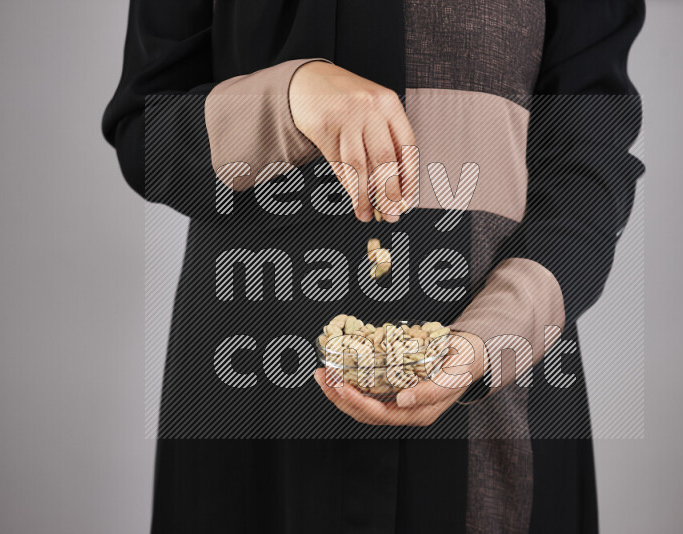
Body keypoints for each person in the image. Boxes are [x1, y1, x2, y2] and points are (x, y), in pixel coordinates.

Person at [103, 1, 645, 532]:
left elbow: (588, 160)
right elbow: (146, 131)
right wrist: (290, 99)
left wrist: (490, 340)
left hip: (494, 401)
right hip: (256, 404)